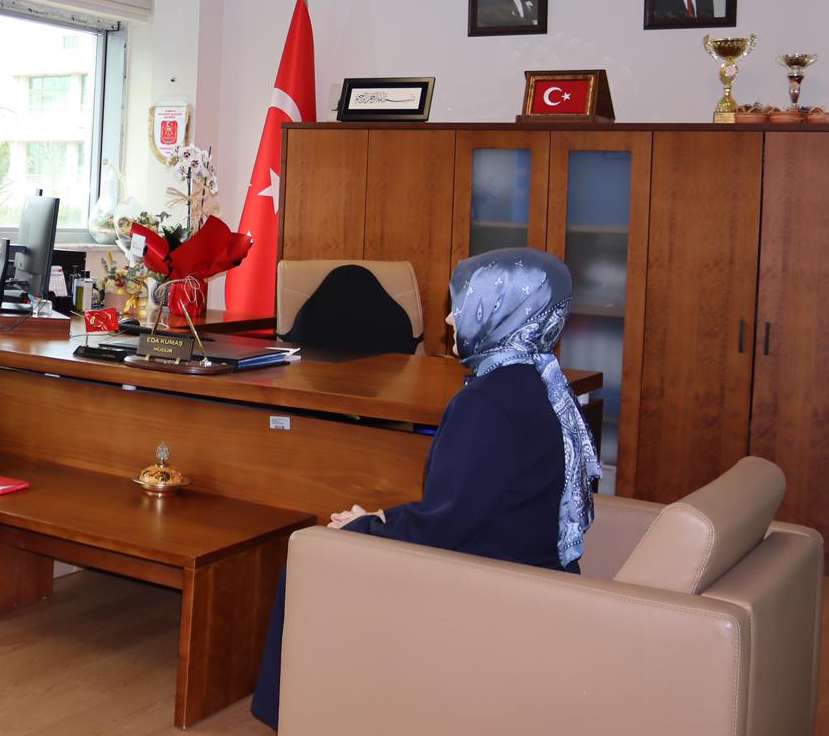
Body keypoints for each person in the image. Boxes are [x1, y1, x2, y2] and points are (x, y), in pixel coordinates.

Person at [250, 247, 602, 729]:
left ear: (502, 312)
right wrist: (380, 520)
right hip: (526, 569)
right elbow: (467, 507)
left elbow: (442, 527)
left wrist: (366, 526)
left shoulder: (487, 403)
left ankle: (294, 716)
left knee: (312, 554)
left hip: (486, 584)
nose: (450, 319)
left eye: (464, 305)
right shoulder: (541, 383)